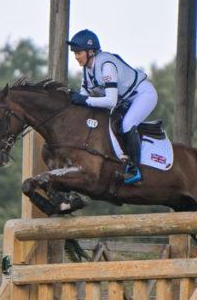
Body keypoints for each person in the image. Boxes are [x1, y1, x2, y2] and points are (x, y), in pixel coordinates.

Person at [67, 29, 158, 185]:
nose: (76, 57)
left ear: (91, 51)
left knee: (127, 124)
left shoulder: (106, 65)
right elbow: (84, 95)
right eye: (74, 53)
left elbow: (110, 101)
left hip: (143, 95)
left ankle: (135, 170)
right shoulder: (87, 70)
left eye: (79, 53)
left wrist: (85, 100)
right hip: (126, 100)